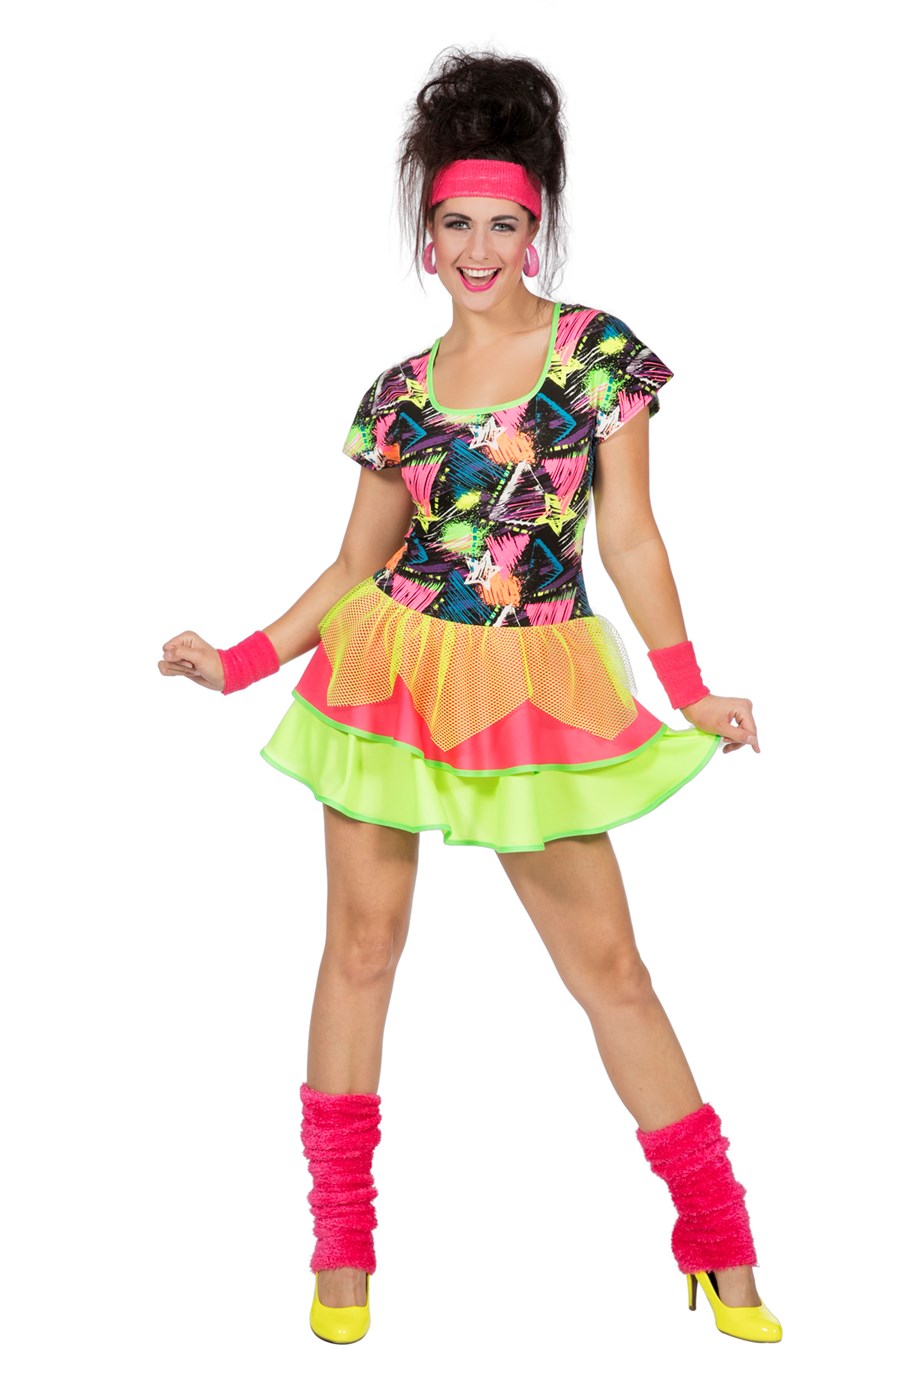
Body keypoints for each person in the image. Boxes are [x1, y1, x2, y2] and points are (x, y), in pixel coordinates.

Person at [159, 47, 782, 1347]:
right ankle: (341, 1250)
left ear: (533, 227)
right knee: (362, 950)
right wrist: (243, 660)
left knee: (611, 969)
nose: (479, 249)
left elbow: (632, 539)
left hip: (533, 682)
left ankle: (718, 1237)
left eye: (503, 224)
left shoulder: (595, 355)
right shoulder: (397, 396)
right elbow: (355, 566)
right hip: (387, 675)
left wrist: (689, 688)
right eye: (456, 224)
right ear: (427, 233)